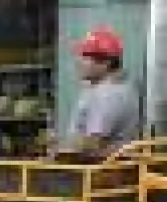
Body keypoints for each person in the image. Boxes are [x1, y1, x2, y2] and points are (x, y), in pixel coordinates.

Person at [58, 27, 140, 159]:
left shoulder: (106, 94)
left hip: (92, 168)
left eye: (86, 57)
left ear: (106, 62)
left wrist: (59, 145)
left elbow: (92, 144)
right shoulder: (124, 88)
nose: (79, 62)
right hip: (108, 166)